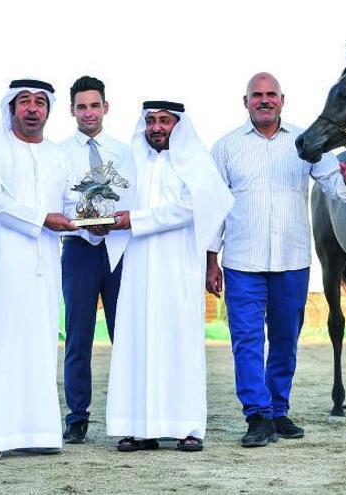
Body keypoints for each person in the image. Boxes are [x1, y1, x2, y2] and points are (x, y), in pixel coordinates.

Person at [206, 73, 346, 448]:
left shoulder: (306, 144)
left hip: (292, 260)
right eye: (256, 95)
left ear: (283, 100)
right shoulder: (226, 147)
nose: (264, 101)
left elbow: (337, 189)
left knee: (284, 339)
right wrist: (211, 260)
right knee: (246, 340)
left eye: (271, 95)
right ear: (244, 101)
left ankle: (278, 410)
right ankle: (257, 415)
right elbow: (214, 209)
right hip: (242, 261)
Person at [105, 100, 233, 452]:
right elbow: (108, 202)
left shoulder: (196, 160)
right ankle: (139, 427)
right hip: (138, 268)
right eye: (151, 121)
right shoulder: (132, 162)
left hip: (180, 266)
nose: (157, 127)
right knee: (136, 341)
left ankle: (187, 427)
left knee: (180, 344)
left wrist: (138, 220)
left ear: (179, 125)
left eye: (165, 121)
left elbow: (197, 208)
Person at [0, 79, 78, 460]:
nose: (32, 109)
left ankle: (40, 433)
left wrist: (94, 221)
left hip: (44, 268)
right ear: (11, 107)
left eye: (40, 102)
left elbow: (71, 204)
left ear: (48, 110)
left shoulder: (58, 155)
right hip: (2, 267)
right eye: (24, 101)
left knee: (42, 346)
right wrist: (44, 219)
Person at [59, 76, 130, 444]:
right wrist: (86, 224)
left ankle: (127, 416)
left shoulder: (126, 151)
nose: (88, 112)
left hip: (118, 250)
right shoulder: (58, 153)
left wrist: (113, 222)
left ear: (106, 106)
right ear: (72, 110)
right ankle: (77, 417)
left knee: (125, 334)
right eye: (81, 106)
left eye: (94, 105)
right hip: (79, 249)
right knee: (78, 337)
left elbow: (133, 195)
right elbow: (58, 200)